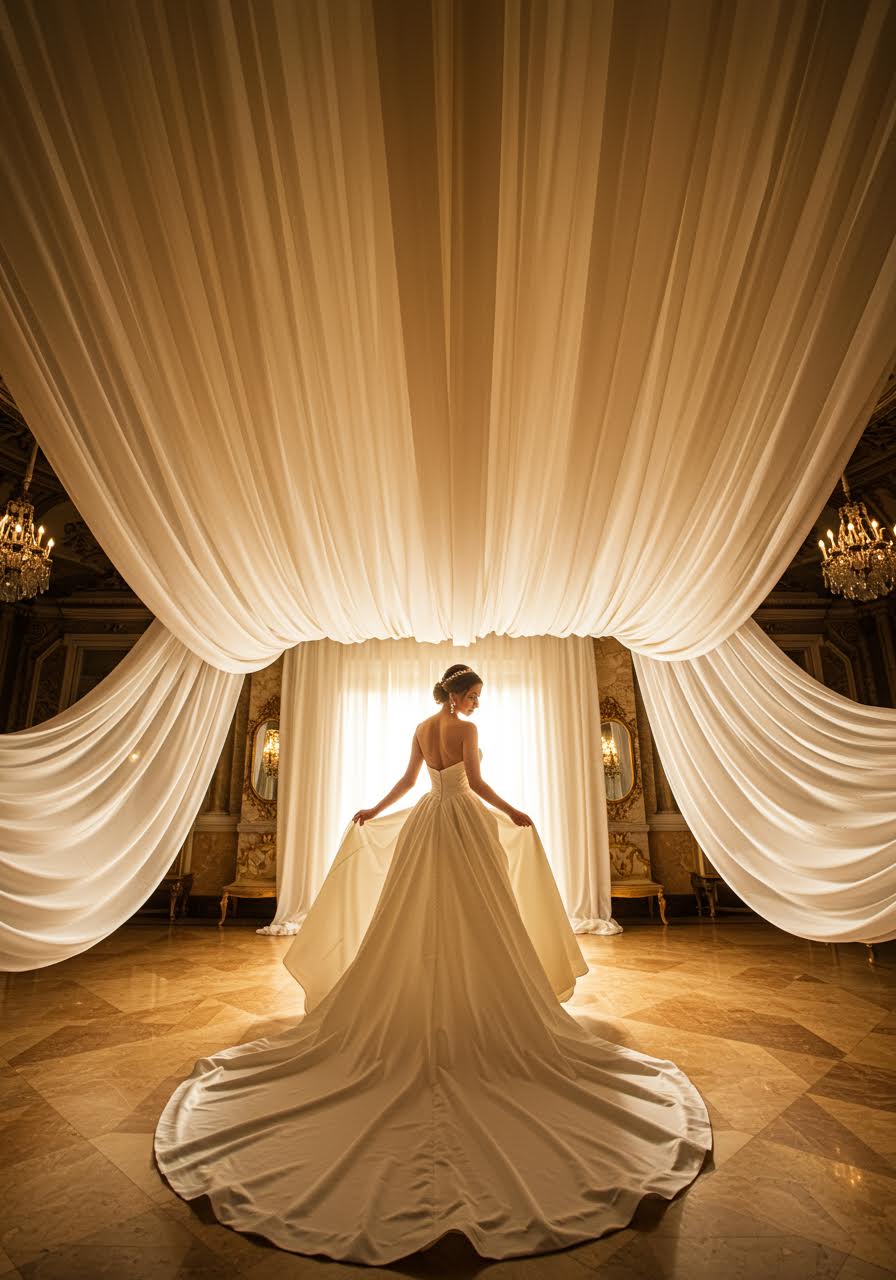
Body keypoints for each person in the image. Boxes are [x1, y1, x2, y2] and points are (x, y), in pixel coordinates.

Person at [155, 663, 711, 1265]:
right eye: (474, 694)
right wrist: (516, 811)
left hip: (427, 822)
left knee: (418, 912)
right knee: (478, 911)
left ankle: (432, 989)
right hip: (464, 822)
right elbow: (475, 783)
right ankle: (474, 996)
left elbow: (407, 782)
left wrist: (372, 808)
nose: (477, 703)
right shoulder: (464, 732)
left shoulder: (423, 726)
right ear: (457, 692)